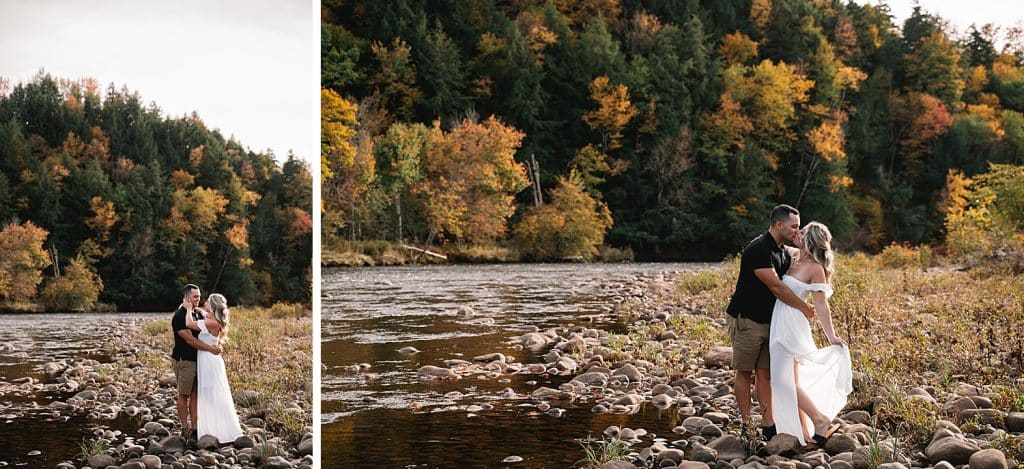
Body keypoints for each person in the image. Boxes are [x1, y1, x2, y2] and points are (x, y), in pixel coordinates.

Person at [726, 204, 816, 441]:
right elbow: (776, 286)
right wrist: (804, 307)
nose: (797, 231)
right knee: (744, 372)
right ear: (779, 225)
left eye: (799, 227)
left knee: (765, 373)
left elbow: (806, 259)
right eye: (794, 226)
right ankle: (746, 424)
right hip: (747, 319)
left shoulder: (784, 251)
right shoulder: (758, 250)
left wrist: (801, 245)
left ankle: (768, 425)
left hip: (771, 323)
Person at [769, 221, 852, 446]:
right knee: (790, 379)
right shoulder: (794, 256)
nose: (797, 232)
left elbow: (821, 305)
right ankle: (804, 433)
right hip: (780, 321)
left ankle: (820, 420)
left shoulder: (815, 267)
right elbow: (772, 243)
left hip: (792, 325)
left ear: (810, 238)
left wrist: (831, 336)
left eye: (802, 231)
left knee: (783, 381)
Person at [185, 293, 243, 444]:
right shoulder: (212, 319)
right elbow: (204, 314)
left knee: (210, 393)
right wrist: (196, 309)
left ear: (212, 306)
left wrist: (187, 309)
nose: (204, 302)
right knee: (210, 392)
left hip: (208, 360)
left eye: (207, 301)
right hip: (209, 359)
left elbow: (189, 324)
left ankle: (217, 430)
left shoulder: (212, 322)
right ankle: (212, 427)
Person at [171, 284, 222, 442]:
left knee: (195, 395)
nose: (198, 299)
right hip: (184, 360)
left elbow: (212, 320)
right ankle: (184, 427)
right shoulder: (179, 316)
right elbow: (190, 340)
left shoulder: (196, 312)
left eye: (199, 296)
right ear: (186, 298)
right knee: (183, 394)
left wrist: (216, 343)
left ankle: (195, 427)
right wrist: (210, 349)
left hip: (199, 361)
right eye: (195, 297)